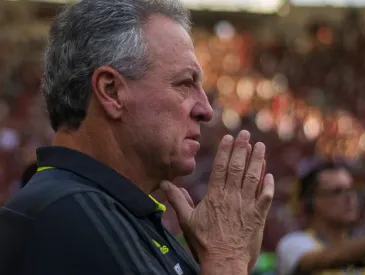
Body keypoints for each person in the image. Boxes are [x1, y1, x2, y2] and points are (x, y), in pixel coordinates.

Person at [0, 0, 274, 274]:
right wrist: (227, 259)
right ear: (111, 91)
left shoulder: (108, 211)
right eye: (185, 83)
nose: (206, 109)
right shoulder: (64, 217)